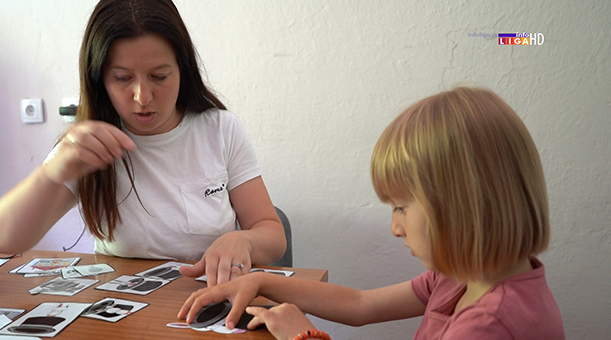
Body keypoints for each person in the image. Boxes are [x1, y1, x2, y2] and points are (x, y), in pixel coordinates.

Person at [179, 87, 565, 340]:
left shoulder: (489, 325)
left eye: (401, 207)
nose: (395, 228)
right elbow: (361, 306)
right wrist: (262, 283)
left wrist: (305, 336)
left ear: (465, 206)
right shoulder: (461, 279)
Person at [0, 0, 286, 287]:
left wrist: (243, 240)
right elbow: (2, 241)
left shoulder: (220, 129)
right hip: (125, 317)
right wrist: (51, 174)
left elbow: (272, 234)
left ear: (183, 70)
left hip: (210, 301)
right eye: (122, 78)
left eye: (159, 76)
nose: (142, 96)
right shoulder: (90, 143)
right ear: (99, 80)